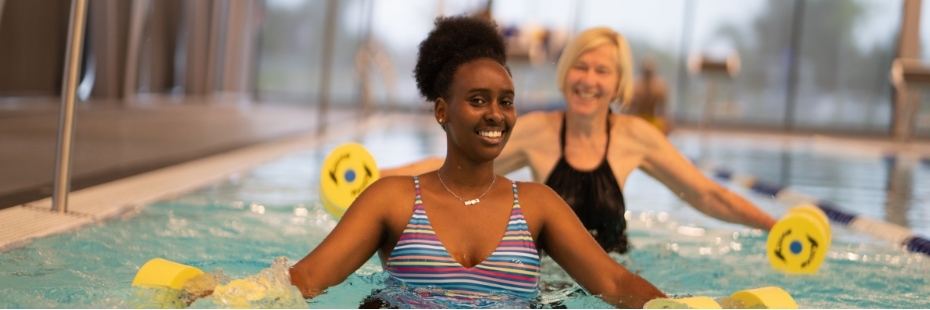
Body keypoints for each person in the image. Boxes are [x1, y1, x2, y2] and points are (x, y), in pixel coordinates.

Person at [288, 16, 666, 308]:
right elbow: (306, 278)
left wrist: (683, 307)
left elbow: (615, 283)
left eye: (506, 101)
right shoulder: (392, 200)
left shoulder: (539, 205)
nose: (496, 115)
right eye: (478, 100)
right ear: (442, 111)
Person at [382, 27, 777, 254]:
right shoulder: (538, 131)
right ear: (567, 73)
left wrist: (774, 226)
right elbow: (451, 169)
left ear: (618, 83)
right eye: (580, 67)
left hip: (613, 271)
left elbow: (706, 194)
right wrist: (376, 177)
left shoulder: (635, 137)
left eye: (602, 71)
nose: (588, 80)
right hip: (548, 281)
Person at [624, 56, 671, 134]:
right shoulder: (636, 86)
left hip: (651, 121)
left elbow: (664, 111)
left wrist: (666, 124)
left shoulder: (659, 88)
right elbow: (628, 108)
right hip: (638, 120)